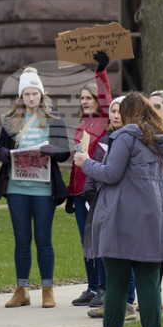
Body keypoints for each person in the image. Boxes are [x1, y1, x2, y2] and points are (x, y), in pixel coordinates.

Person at [75, 93, 163, 327]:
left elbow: (111, 174)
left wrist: (85, 162)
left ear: (127, 114)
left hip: (121, 217)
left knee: (116, 281)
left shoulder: (126, 136)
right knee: (149, 282)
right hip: (156, 217)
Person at [0, 67, 70, 309]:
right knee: (21, 239)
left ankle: (47, 289)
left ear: (42, 95)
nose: (31, 98)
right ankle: (21, 289)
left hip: (43, 189)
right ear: (21, 97)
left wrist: (51, 151)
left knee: (44, 238)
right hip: (17, 187)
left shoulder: (54, 119)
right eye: (27, 94)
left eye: (35, 93)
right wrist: (2, 153)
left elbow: (65, 151)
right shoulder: (11, 121)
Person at [82, 96, 137, 322]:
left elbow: (116, 174)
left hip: (122, 206)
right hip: (102, 204)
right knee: (107, 256)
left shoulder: (132, 142)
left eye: (120, 111)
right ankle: (112, 302)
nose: (115, 115)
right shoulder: (105, 141)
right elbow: (93, 171)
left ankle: (128, 303)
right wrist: (89, 192)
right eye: (113, 111)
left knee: (125, 256)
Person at [67, 52, 111, 308]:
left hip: (98, 191)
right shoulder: (82, 126)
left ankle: (105, 287)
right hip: (80, 191)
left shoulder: (104, 121)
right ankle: (92, 287)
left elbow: (107, 98)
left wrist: (101, 72)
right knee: (87, 243)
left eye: (88, 98)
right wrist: (73, 194)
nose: (84, 101)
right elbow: (77, 163)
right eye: (82, 98)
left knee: (100, 241)